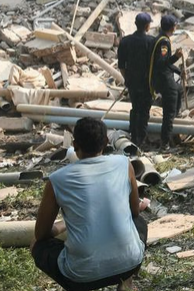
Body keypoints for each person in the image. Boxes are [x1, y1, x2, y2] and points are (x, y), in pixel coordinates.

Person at [32, 117, 148, 291]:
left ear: (74, 144)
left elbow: (41, 234)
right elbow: (135, 212)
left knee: (37, 245)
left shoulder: (57, 180)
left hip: (81, 278)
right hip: (130, 264)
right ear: (106, 142)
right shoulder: (124, 164)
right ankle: (127, 282)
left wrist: (62, 226)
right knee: (139, 222)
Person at [117, 13, 154, 148]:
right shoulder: (151, 42)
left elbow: (121, 65)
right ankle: (141, 140)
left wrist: (127, 79)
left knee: (135, 108)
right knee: (144, 111)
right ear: (147, 26)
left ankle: (133, 135)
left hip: (132, 81)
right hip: (146, 83)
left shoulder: (125, 41)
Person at [149, 15, 184, 150]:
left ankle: (176, 115)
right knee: (168, 114)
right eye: (175, 25)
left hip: (162, 77)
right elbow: (162, 63)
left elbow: (165, 63)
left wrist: (179, 71)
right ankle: (165, 144)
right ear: (172, 27)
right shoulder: (164, 42)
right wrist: (176, 57)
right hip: (164, 80)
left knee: (179, 89)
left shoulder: (159, 38)